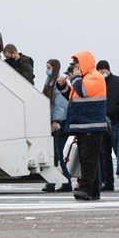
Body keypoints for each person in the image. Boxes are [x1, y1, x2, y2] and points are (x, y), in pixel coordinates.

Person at [58, 52, 107, 201]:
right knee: (88, 159)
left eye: (76, 64)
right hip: (84, 125)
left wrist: (76, 78)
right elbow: (74, 97)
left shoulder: (95, 77)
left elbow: (83, 91)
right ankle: (94, 191)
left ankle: (85, 188)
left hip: (91, 125)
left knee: (88, 160)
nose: (75, 68)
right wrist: (64, 87)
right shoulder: (85, 78)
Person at [42, 59, 72, 193]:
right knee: (53, 153)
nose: (47, 69)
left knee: (57, 153)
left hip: (59, 123)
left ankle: (64, 181)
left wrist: (56, 121)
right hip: (52, 122)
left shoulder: (57, 83)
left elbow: (60, 105)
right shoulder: (49, 81)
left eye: (49, 67)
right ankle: (55, 182)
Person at [96, 60, 119, 192]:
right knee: (104, 153)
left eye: (103, 69)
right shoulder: (96, 83)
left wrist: (114, 110)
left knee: (118, 151)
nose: (102, 72)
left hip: (115, 121)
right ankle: (108, 182)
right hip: (102, 122)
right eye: (99, 70)